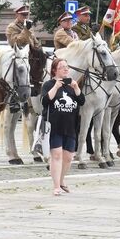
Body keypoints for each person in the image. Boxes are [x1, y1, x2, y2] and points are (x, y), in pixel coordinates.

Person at [41, 57, 85, 196]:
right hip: (55, 126)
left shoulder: (72, 85)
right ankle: (56, 186)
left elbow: (82, 101)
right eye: (62, 67)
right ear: (54, 70)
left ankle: (61, 180)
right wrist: (56, 87)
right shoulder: (48, 84)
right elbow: (45, 101)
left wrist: (76, 88)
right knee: (57, 155)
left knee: (68, 157)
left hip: (71, 126)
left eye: (67, 67)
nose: (66, 69)